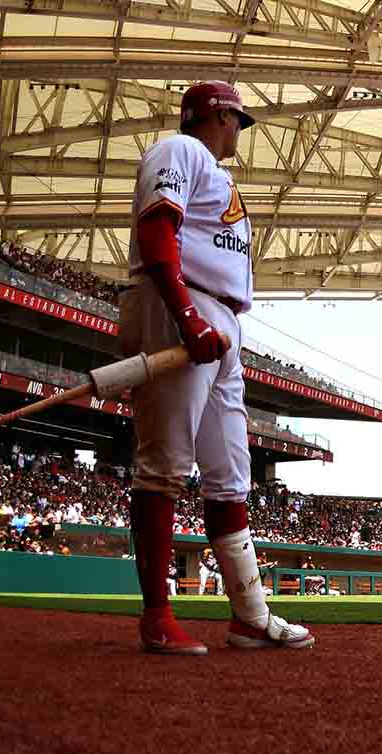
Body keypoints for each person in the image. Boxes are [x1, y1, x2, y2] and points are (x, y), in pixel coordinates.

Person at [122, 80, 313, 653]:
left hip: (223, 316)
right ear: (219, 116)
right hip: (182, 302)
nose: (239, 130)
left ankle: (248, 616)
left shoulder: (216, 173)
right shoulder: (180, 151)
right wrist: (185, 316)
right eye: (237, 119)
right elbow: (158, 230)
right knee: (163, 466)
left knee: (230, 472)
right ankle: (157, 615)